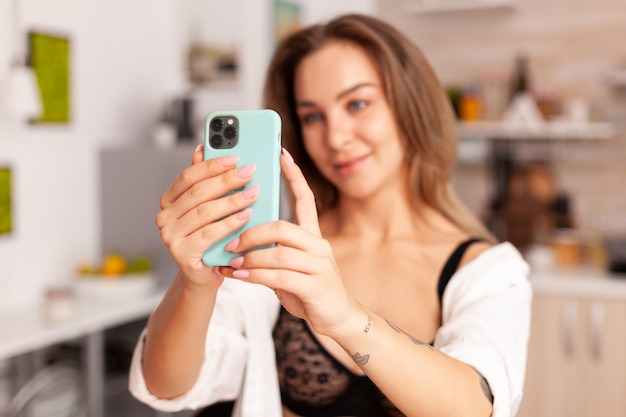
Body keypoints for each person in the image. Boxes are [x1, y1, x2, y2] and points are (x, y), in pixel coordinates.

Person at [129, 13, 532, 417]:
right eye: (312, 116)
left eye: (357, 104)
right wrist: (194, 285)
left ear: (410, 106)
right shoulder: (274, 250)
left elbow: (479, 408)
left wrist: (346, 317)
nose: (336, 138)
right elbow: (165, 387)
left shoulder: (489, 271)